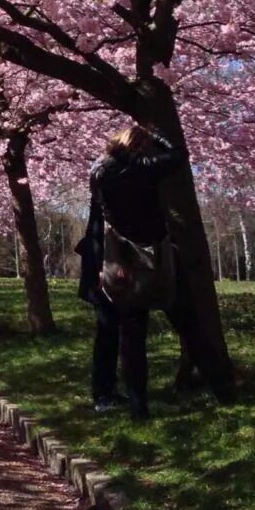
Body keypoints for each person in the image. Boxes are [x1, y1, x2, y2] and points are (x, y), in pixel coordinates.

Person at [79, 126, 183, 420]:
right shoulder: (143, 169)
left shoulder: (99, 171)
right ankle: (132, 400)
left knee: (107, 329)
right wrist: (159, 137)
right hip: (131, 260)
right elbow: (179, 155)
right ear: (140, 147)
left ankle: (104, 392)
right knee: (131, 331)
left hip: (104, 257)